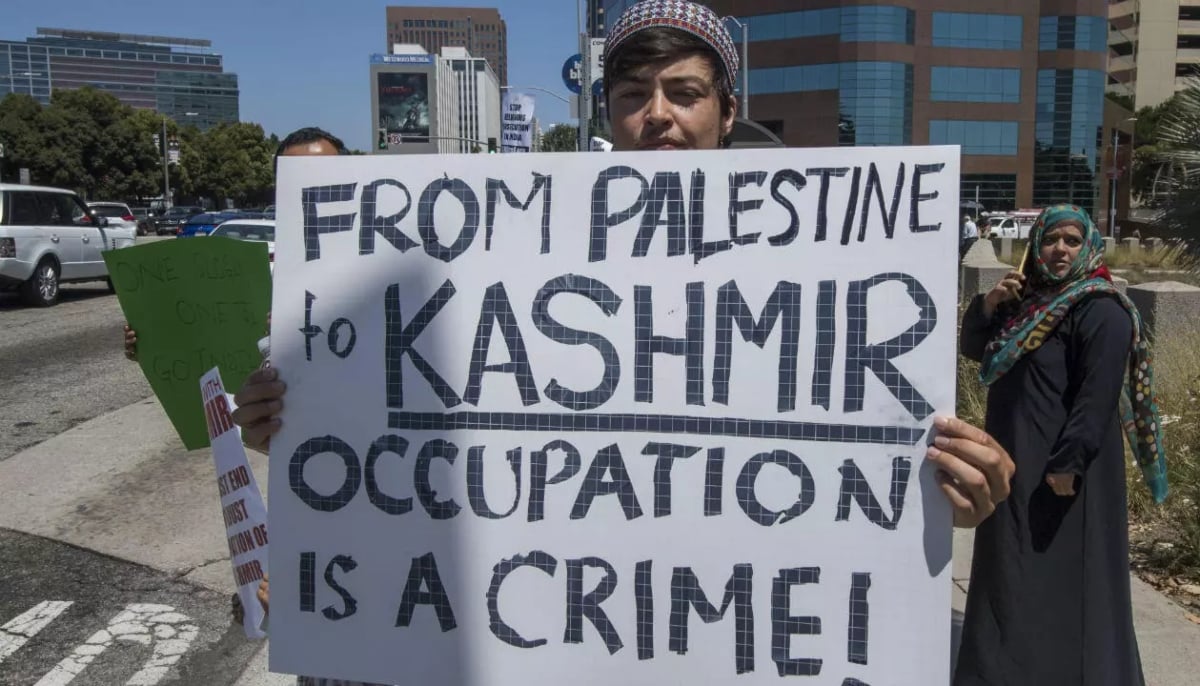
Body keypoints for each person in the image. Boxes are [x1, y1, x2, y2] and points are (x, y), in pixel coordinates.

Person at [233, 0, 1014, 532]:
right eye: (634, 93)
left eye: (685, 92)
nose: (658, 115)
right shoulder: (517, 238)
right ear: (608, 111)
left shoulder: (829, 255)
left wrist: (955, 488)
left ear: (728, 111)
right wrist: (310, 420)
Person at [955, 204, 1169, 685]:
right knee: (1011, 571)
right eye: (1051, 240)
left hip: (1066, 469)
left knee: (1070, 575)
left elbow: (1095, 399)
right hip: (1014, 462)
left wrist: (1067, 463)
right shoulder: (1026, 302)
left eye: (1072, 241)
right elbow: (976, 350)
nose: (1060, 250)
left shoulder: (1100, 309)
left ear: (1087, 246)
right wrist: (989, 305)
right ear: (1036, 245)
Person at [123, 127, 348, 361]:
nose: (311, 188)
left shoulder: (384, 262)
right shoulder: (252, 274)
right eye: (296, 177)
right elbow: (209, 340)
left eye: (324, 174)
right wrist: (154, 345)